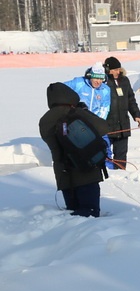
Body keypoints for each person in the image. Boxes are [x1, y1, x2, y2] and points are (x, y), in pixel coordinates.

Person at [38, 82, 112, 217]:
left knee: (73, 217)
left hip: (64, 174)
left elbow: (50, 141)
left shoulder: (44, 120)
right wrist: (85, 112)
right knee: (90, 215)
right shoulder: (77, 112)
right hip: (87, 168)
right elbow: (104, 127)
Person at [65, 62, 112, 165]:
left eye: (101, 79)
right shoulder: (78, 83)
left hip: (95, 123)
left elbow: (105, 108)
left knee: (105, 145)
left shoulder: (105, 90)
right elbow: (61, 89)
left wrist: (96, 123)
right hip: (78, 123)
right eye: (96, 78)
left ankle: (109, 168)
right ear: (90, 76)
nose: (98, 81)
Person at [102, 56, 140, 170]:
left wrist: (136, 115)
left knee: (121, 154)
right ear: (107, 69)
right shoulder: (103, 81)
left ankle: (120, 171)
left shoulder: (124, 80)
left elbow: (131, 99)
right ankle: (106, 174)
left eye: (118, 69)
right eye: (114, 70)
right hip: (107, 124)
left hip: (123, 123)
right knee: (104, 153)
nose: (117, 72)